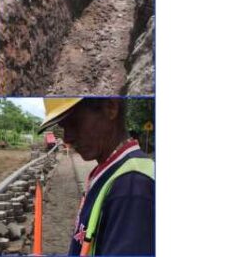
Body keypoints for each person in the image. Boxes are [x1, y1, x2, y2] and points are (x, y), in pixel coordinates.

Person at [39, 98, 154, 256]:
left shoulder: (132, 187)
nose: (67, 138)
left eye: (74, 123)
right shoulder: (111, 171)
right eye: (63, 127)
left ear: (111, 107)